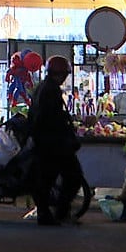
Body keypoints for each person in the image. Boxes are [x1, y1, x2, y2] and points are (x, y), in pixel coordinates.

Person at [28, 54, 86, 225]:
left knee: (47, 179)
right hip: (53, 144)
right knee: (72, 176)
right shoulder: (50, 90)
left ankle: (51, 212)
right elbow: (52, 118)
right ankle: (58, 211)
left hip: (45, 142)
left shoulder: (43, 88)